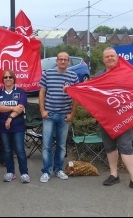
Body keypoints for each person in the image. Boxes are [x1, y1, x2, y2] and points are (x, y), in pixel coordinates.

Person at [95, 47, 133, 192]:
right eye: (107, 57)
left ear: (117, 58)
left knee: (125, 146)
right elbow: (89, 92)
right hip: (106, 118)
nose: (110, 58)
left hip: (123, 117)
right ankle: (114, 175)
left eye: (112, 56)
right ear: (103, 59)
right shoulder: (98, 75)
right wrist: (70, 89)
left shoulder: (126, 74)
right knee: (109, 146)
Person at [39, 51, 79, 183]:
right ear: (56, 61)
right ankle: (46, 171)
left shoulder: (73, 76)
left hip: (64, 115)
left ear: (68, 61)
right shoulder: (47, 74)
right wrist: (42, 110)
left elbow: (76, 97)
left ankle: (58, 169)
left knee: (61, 145)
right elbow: (42, 92)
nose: (62, 61)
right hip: (49, 115)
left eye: (65, 59)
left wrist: (72, 114)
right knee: (46, 145)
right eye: (60, 59)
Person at [0, 69, 30, 183]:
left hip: (17, 126)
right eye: (5, 77)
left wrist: (10, 117)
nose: (8, 79)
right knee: (7, 150)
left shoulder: (20, 91)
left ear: (14, 78)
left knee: (19, 150)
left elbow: (20, 108)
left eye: (10, 77)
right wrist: (12, 108)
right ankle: (10, 172)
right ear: (3, 80)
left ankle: (24, 173)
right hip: (3, 126)